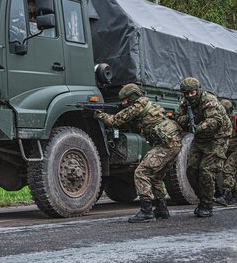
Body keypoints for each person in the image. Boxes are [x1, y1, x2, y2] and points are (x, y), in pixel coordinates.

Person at [94, 83, 183, 223]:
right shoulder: (146, 103)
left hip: (166, 145)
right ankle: (161, 209)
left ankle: (147, 211)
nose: (123, 103)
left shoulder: (137, 106)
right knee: (156, 176)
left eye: (125, 100)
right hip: (172, 144)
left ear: (132, 97)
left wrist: (98, 114)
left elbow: (114, 121)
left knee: (141, 172)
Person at [176, 77, 232, 217]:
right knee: (191, 170)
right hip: (200, 138)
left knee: (206, 170)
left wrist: (198, 127)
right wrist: (188, 120)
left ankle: (207, 205)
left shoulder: (209, 100)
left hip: (217, 137)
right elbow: (178, 116)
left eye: (192, 93)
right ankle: (204, 197)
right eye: (187, 93)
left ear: (198, 90)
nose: (190, 96)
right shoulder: (185, 102)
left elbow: (215, 121)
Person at [215, 99, 237, 205]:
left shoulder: (235, 119)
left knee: (228, 169)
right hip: (227, 150)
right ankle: (233, 195)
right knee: (229, 172)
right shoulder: (220, 121)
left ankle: (226, 194)